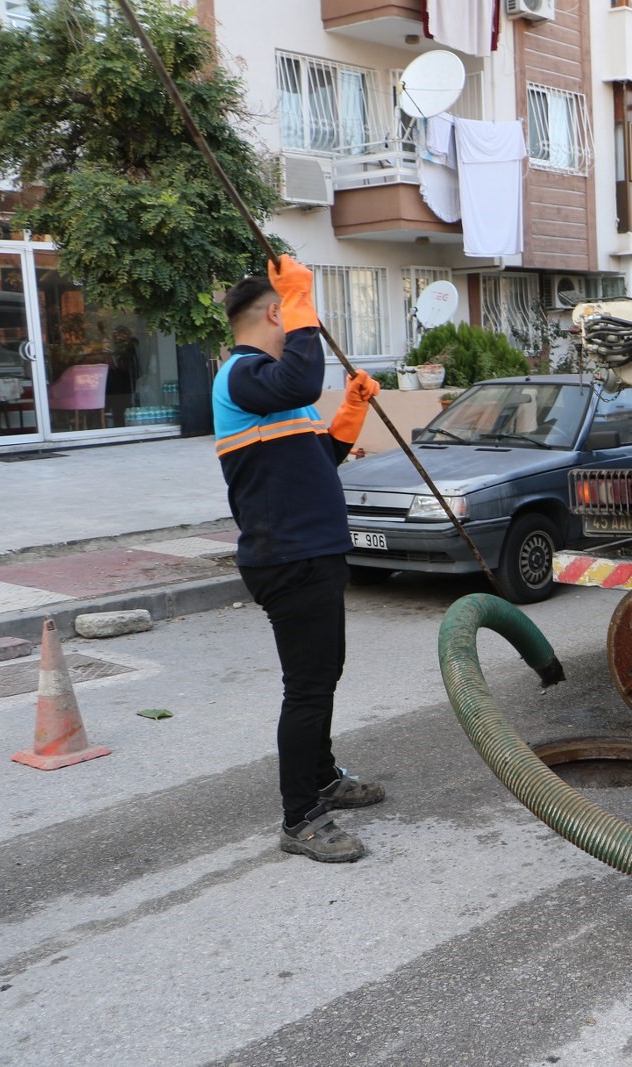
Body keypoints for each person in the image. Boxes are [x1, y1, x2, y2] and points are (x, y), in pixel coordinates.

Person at [214, 255, 384, 862]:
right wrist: (304, 306)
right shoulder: (243, 374)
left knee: (322, 674)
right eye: (293, 309)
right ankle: (300, 817)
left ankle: (323, 777)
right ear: (275, 312)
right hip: (287, 557)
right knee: (307, 687)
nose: (301, 322)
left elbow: (318, 461)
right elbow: (303, 380)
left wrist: (350, 414)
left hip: (312, 550)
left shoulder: (271, 390)